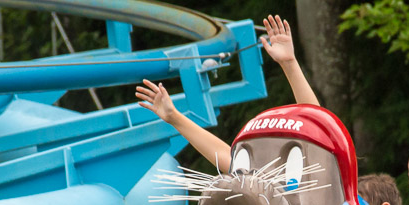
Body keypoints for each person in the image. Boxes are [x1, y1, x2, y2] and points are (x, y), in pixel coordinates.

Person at [135, 14, 318, 172]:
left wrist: (289, 63)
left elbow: (317, 126)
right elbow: (228, 158)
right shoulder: (264, 183)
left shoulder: (312, 170)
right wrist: (174, 116)